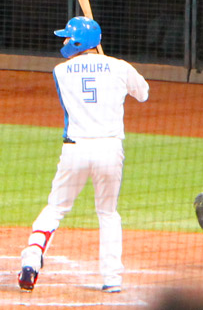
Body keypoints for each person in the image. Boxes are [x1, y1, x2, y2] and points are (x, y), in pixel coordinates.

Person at [18, 16, 149, 294]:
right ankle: (112, 278)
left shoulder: (61, 71)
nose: (64, 41)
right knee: (108, 213)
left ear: (78, 42)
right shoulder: (119, 66)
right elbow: (143, 94)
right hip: (110, 150)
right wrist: (111, 65)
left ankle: (32, 257)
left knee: (56, 208)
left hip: (75, 149)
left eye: (67, 37)